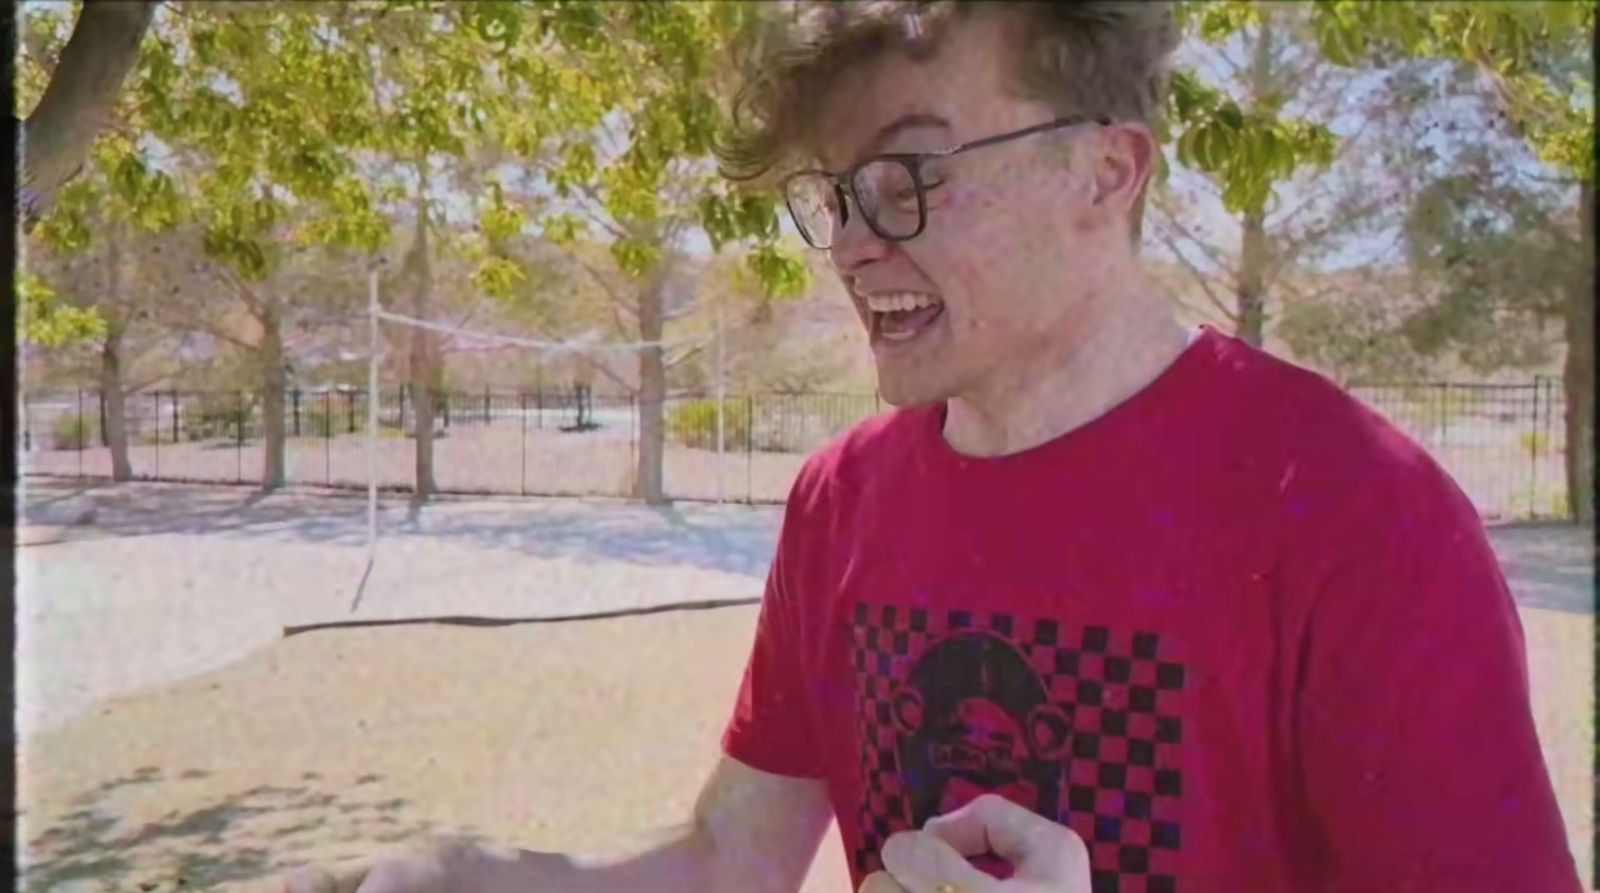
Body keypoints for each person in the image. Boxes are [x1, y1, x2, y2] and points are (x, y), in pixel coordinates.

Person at [279, 2, 1580, 891]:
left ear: (1105, 175)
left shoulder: (1359, 510)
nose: (851, 239)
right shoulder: (842, 497)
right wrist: (507, 881)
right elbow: (734, 855)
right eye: (837, 193)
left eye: (909, 176)